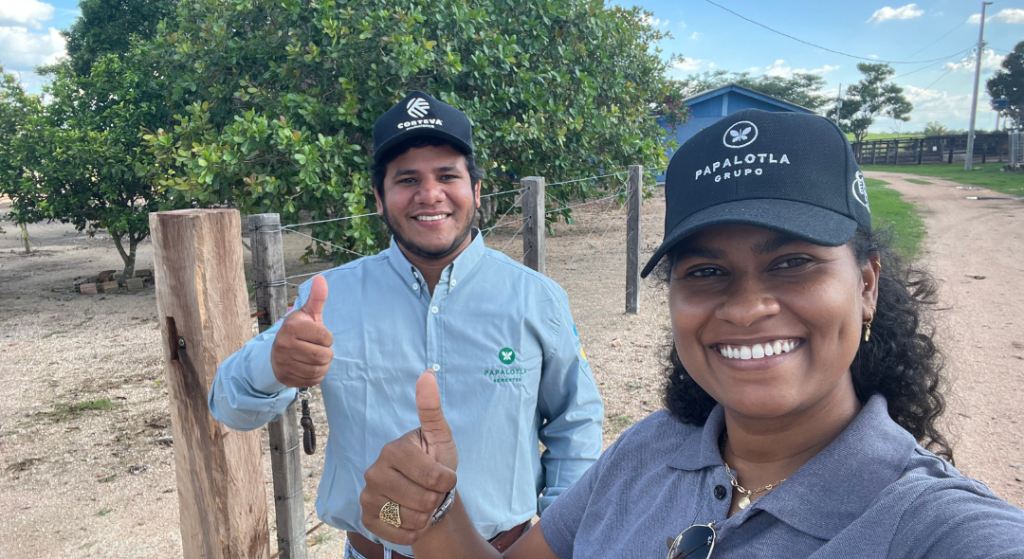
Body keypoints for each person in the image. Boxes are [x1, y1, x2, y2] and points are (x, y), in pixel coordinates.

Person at [358, 109, 1024, 559]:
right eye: (707, 271)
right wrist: (432, 512)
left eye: (792, 262)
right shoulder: (650, 450)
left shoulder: (928, 526)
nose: (747, 307)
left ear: (868, 282)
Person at [208, 91, 604, 559]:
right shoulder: (329, 299)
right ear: (380, 198)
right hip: (376, 549)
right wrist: (272, 366)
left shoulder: (538, 299)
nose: (430, 194)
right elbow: (229, 407)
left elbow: (574, 423)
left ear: (476, 191)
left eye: (447, 176)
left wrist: (559, 538)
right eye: (408, 179)